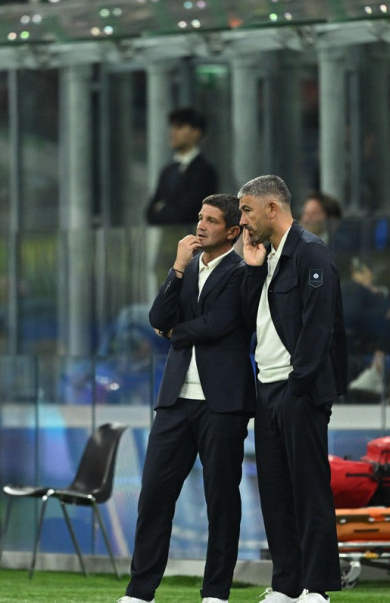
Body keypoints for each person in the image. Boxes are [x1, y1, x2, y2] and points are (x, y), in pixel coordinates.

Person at [118, 194, 254, 603]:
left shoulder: (242, 271)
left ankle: (215, 592)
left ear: (232, 231)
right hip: (175, 400)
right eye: (199, 217)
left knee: (221, 500)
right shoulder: (188, 267)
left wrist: (176, 333)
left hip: (223, 402)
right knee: (154, 496)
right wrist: (176, 268)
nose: (200, 225)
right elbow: (157, 318)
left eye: (211, 220)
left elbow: (221, 323)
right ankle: (140, 592)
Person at [237, 175, 346, 603]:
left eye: (247, 210)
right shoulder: (266, 256)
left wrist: (298, 385)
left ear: (272, 208)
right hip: (267, 388)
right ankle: (286, 584)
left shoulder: (310, 252)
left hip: (298, 389)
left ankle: (316, 587)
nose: (242, 220)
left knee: (309, 489)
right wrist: (251, 270)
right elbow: (251, 319)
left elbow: (319, 328)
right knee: (275, 491)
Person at [145, 108, 219, 227]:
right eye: (172, 127)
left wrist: (162, 208)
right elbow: (149, 213)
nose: (173, 132)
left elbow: (189, 212)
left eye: (179, 127)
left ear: (196, 132)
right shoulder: (167, 170)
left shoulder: (205, 171)